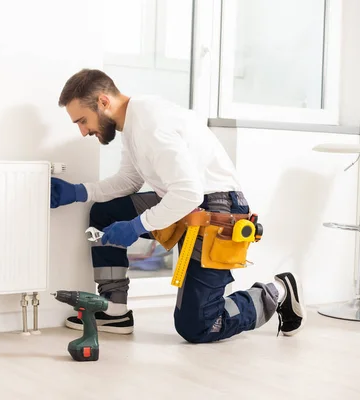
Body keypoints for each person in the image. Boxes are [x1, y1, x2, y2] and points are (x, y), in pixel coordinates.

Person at [50, 68, 306, 343]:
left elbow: (189, 192)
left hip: (217, 211)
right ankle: (114, 310)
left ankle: (277, 291)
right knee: (105, 211)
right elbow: (129, 179)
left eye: (83, 120)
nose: (83, 131)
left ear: (103, 102)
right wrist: (80, 192)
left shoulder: (150, 124)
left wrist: (137, 226)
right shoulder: (134, 124)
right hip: (183, 204)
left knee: (199, 326)